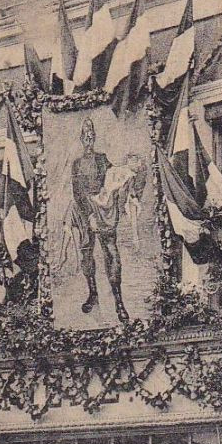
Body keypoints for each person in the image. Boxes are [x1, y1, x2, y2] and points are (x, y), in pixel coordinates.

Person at [65, 116, 137, 323]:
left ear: (94, 138)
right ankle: (92, 292)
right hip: (85, 210)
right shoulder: (76, 164)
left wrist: (127, 177)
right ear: (81, 139)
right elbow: (77, 192)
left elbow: (114, 176)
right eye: (85, 136)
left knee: (111, 252)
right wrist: (88, 216)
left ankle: (119, 301)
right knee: (87, 253)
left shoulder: (102, 159)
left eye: (91, 136)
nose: (88, 139)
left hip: (104, 208)